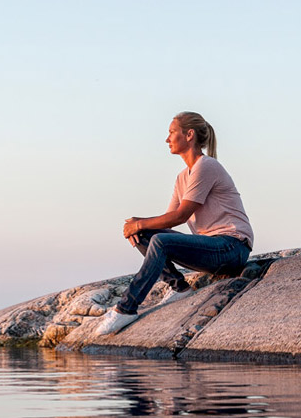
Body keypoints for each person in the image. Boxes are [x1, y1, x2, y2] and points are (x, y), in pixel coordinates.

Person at [96, 112, 254, 335]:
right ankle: (179, 287)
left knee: (157, 238)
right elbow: (168, 222)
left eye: (171, 132)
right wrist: (137, 226)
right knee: (147, 235)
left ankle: (125, 309)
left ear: (189, 135)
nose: (167, 139)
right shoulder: (182, 177)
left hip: (232, 247)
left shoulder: (207, 166)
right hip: (209, 249)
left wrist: (141, 223)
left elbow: (180, 217)